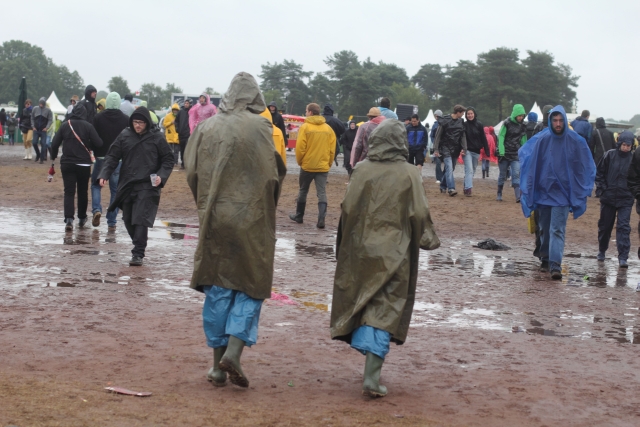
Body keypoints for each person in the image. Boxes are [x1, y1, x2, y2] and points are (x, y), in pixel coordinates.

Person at [184, 72, 286, 389]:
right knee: (251, 285)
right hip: (252, 217)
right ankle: (234, 351)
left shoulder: (206, 126)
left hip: (215, 216)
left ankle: (217, 367)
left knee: (218, 287)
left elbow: (192, 171)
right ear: (254, 97)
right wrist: (268, 205)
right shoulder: (262, 127)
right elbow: (274, 174)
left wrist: (206, 203)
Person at [330, 119, 440, 398]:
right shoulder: (409, 173)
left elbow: (348, 208)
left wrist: (344, 244)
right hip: (396, 250)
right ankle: (372, 375)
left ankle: (369, 366)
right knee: (387, 307)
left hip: (361, 247)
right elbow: (418, 212)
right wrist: (428, 238)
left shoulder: (362, 170)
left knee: (364, 300)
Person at [519, 105, 595, 280]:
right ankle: (545, 258)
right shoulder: (542, 140)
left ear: (565, 121)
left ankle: (555, 265)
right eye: (555, 120)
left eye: (561, 120)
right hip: (544, 192)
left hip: (563, 194)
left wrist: (581, 187)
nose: (558, 124)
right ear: (550, 121)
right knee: (544, 228)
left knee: (557, 229)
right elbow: (530, 162)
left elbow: (585, 165)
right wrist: (529, 187)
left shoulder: (575, 141)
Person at [97, 107, 174, 266]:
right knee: (128, 219)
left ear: (147, 122)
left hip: (148, 185)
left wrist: (161, 176)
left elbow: (168, 159)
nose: (138, 125)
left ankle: (138, 253)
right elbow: (112, 156)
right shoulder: (125, 135)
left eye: (141, 122)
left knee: (140, 218)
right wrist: (104, 174)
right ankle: (139, 242)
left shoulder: (157, 137)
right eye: (135, 122)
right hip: (127, 183)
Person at [50, 104, 104, 231]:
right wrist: (90, 147)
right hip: (83, 164)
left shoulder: (65, 125)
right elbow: (99, 143)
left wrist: (53, 158)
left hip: (67, 163)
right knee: (82, 191)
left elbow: (54, 144)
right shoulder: (88, 126)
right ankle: (81, 218)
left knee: (68, 192)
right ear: (84, 114)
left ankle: (69, 219)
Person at [289, 103, 336, 228]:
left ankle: (299, 216)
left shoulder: (305, 127)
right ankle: (321, 219)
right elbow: (332, 150)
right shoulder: (328, 129)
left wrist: (300, 162)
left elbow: (300, 148)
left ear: (310, 112)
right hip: (323, 166)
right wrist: (329, 163)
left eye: (306, 111)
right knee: (321, 192)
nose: (305, 112)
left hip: (307, 166)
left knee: (303, 190)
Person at [595, 131, 634, 267]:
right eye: (624, 145)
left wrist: (633, 193)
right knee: (605, 226)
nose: (626, 148)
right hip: (609, 197)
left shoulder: (634, 159)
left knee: (624, 227)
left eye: (628, 146)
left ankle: (623, 257)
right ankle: (602, 250)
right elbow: (599, 173)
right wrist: (603, 190)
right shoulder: (609, 155)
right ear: (619, 143)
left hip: (626, 199)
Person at [91, 92, 130, 231]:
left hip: (101, 158)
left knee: (96, 185)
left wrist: (94, 151)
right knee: (115, 190)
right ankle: (112, 221)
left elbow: (93, 136)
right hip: (118, 159)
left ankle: (96, 209)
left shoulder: (98, 117)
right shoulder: (125, 119)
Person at [433, 105, 467, 196]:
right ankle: (451, 188)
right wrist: (436, 149)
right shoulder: (445, 120)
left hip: (455, 148)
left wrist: (464, 148)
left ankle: (443, 186)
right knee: (449, 167)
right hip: (445, 148)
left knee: (450, 169)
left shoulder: (461, 122)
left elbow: (462, 136)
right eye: (462, 113)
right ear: (458, 113)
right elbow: (438, 135)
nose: (463, 115)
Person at [496, 104, 527, 202]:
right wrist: (501, 150)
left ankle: (518, 196)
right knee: (502, 174)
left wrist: (524, 152)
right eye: (519, 115)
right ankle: (499, 193)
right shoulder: (507, 123)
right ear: (515, 114)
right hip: (504, 153)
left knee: (516, 174)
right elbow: (501, 137)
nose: (521, 117)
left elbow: (523, 140)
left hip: (515, 153)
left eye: (522, 116)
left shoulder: (523, 125)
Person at [462, 107, 490, 196]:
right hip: (467, 151)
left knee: (472, 170)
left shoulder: (479, 124)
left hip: (476, 151)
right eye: (468, 114)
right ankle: (468, 189)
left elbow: (483, 138)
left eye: (471, 113)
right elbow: (460, 138)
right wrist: (461, 148)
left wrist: (487, 150)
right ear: (466, 115)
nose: (470, 115)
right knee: (469, 169)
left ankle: (466, 184)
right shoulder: (464, 125)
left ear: (474, 114)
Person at [31, 97, 53, 163]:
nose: (41, 105)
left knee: (43, 144)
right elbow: (32, 118)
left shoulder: (48, 110)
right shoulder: (35, 109)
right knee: (34, 143)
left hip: (43, 130)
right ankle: (38, 154)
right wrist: (33, 126)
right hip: (36, 129)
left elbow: (50, 120)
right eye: (40, 103)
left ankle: (41, 158)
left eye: (42, 104)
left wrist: (46, 127)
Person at [174, 99, 191, 169]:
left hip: (189, 134)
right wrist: (177, 129)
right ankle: (183, 164)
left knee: (188, 149)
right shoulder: (181, 112)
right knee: (182, 149)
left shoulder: (192, 112)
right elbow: (176, 121)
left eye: (187, 103)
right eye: (185, 103)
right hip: (181, 134)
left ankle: (187, 163)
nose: (186, 104)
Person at [430, 110, 443, 184]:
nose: (436, 117)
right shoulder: (434, 125)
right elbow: (432, 135)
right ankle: (439, 177)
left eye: (436, 115)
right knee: (437, 162)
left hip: (444, 146)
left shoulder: (444, 123)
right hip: (436, 147)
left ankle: (443, 177)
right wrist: (434, 142)